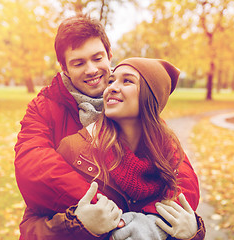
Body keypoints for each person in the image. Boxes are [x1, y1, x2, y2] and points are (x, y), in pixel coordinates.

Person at [14, 14, 202, 240]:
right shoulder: (45, 107)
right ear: (64, 67)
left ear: (109, 55)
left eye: (97, 58)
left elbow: (181, 173)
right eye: (78, 63)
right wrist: (103, 212)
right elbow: (33, 166)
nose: (91, 69)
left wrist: (154, 222)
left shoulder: (136, 108)